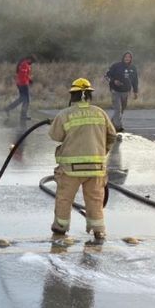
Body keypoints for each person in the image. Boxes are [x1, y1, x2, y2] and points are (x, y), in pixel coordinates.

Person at [49, 78, 117, 244]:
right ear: (89, 95)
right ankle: (99, 231)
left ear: (73, 95)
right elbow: (112, 135)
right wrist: (102, 151)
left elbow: (55, 136)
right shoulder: (100, 113)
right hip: (96, 168)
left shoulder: (65, 114)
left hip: (70, 170)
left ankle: (60, 227)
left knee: (65, 199)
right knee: (95, 200)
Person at [104, 51, 139, 131]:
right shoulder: (116, 66)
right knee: (118, 109)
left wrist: (135, 91)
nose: (127, 58)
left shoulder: (133, 68)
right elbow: (106, 76)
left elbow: (135, 80)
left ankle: (111, 124)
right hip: (115, 91)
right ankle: (118, 127)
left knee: (122, 110)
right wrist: (114, 81)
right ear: (123, 58)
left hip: (126, 92)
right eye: (126, 57)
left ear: (131, 59)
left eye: (129, 57)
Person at [3, 54, 35, 120]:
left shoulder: (24, 63)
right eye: (32, 61)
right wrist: (26, 82)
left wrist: (29, 80)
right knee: (26, 100)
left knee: (21, 99)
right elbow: (22, 75)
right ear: (29, 59)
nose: (31, 63)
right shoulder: (24, 64)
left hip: (21, 83)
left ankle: (8, 108)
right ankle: (23, 116)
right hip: (23, 84)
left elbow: (24, 75)